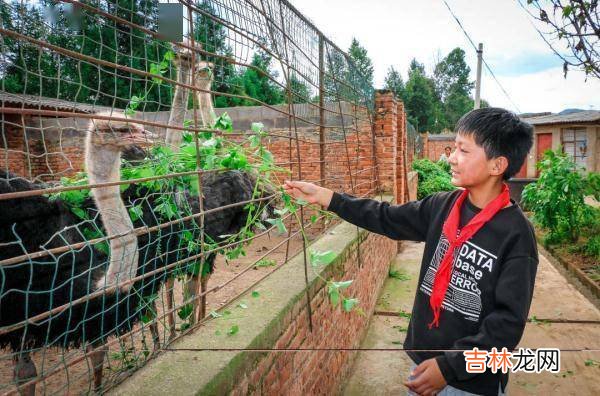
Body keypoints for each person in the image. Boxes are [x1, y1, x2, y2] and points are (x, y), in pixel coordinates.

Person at [283, 107, 537, 396]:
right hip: (424, 364)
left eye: (463, 151)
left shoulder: (516, 235)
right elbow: (386, 216)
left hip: (472, 383)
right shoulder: (443, 206)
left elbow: (507, 324)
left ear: (497, 165)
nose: (451, 157)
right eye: (453, 148)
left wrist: (449, 367)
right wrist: (327, 198)